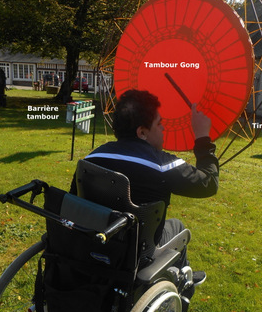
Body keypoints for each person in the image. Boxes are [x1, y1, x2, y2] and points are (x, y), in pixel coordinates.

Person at [70, 89, 219, 288]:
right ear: (142, 132)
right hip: (140, 253)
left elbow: (75, 202)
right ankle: (184, 283)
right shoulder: (162, 164)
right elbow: (208, 183)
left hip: (93, 245)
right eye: (159, 123)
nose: (163, 128)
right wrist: (202, 137)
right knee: (178, 227)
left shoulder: (92, 158)